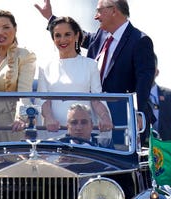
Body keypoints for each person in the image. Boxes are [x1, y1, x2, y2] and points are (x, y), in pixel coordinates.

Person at [35, 0, 155, 141]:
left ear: (114, 11)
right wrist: (51, 18)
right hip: (92, 120)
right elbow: (72, 34)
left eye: (99, 11)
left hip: (124, 118)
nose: (95, 17)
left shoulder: (140, 40)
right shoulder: (101, 35)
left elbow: (144, 82)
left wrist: (137, 113)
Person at [36, 16, 112, 135]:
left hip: (83, 132)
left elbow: (96, 99)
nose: (62, 40)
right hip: (54, 130)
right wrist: (49, 118)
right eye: (58, 35)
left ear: (76, 35)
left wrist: (105, 117)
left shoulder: (91, 65)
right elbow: (44, 101)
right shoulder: (45, 67)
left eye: (67, 34)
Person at [0, 10, 36, 142]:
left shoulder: (25, 55)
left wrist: (21, 118)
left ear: (15, 29)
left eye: (6, 27)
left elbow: (24, 93)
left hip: (11, 123)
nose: (0, 32)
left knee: (12, 160)